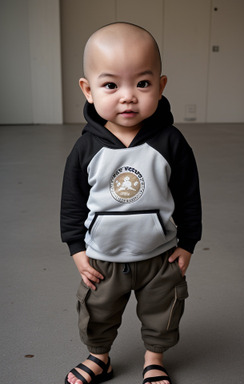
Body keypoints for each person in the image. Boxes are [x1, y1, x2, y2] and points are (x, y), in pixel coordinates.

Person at [61, 22, 202, 384]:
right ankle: (99, 358)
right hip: (103, 256)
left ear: (161, 85)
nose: (128, 96)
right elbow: (73, 202)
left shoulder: (170, 143)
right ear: (88, 90)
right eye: (111, 85)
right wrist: (77, 248)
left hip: (159, 254)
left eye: (142, 83)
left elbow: (188, 196)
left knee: (163, 312)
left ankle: (154, 359)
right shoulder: (86, 148)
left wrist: (188, 243)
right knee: (97, 311)